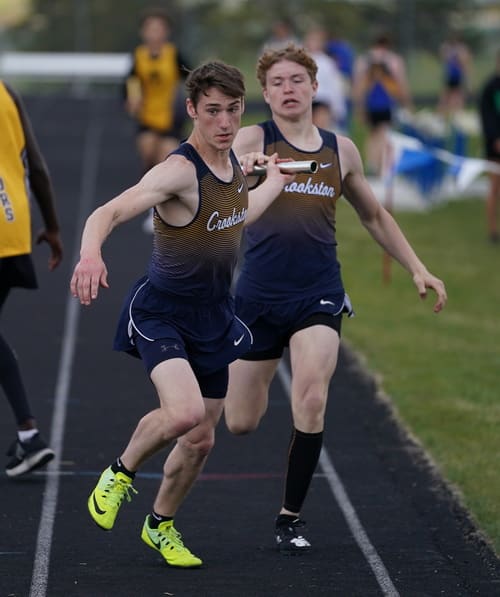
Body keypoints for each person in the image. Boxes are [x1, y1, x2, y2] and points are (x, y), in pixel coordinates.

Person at [223, 44, 447, 555]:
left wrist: (417, 267)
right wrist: (245, 170)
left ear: (315, 87)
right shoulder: (252, 139)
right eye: (277, 82)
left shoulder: (340, 150)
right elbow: (216, 186)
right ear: (266, 93)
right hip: (257, 297)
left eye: (297, 80)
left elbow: (374, 216)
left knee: (312, 397)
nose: (288, 89)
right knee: (240, 421)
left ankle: (289, 517)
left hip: (318, 294)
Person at [70, 61, 294, 568]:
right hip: (163, 313)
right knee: (185, 413)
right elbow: (107, 212)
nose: (225, 122)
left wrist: (275, 182)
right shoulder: (178, 170)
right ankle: (120, 472)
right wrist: (90, 254)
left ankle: (160, 525)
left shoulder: (233, 163)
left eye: (233, 110)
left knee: (200, 439)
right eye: (212, 111)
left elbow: (238, 214)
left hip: (213, 318)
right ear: (191, 108)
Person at [0, 80, 63, 477]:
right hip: (14, 231)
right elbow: (36, 168)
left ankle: (29, 434)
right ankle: (29, 435)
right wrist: (52, 227)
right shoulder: (6, 91)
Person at [124, 8, 190, 233]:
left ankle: (163, 208)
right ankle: (149, 201)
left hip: (170, 118)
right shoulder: (138, 56)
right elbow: (131, 81)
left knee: (167, 156)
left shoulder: (174, 55)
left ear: (166, 32)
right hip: (147, 117)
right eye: (150, 29)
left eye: (159, 29)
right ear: (143, 32)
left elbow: (193, 77)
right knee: (148, 150)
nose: (154, 34)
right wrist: (132, 99)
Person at [352, 32, 411, 175]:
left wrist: (358, 106)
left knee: (372, 134)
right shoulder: (393, 60)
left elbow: (358, 85)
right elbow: (401, 83)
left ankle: (371, 162)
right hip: (386, 103)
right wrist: (407, 102)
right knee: (383, 133)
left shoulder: (364, 60)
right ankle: (380, 164)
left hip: (369, 103)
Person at [303, 26, 347, 132]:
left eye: (316, 40)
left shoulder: (328, 62)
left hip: (323, 99)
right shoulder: (301, 61)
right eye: (311, 40)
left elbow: (334, 85)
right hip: (306, 100)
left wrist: (338, 107)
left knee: (320, 130)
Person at [478, 49, 500, 243]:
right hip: (495, 147)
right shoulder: (490, 88)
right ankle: (492, 231)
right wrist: (495, 139)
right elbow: (487, 118)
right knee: (494, 187)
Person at [438, 32, 472, 117]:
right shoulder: (448, 48)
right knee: (448, 95)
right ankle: (443, 113)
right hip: (451, 75)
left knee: (457, 95)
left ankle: (456, 113)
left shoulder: (460, 49)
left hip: (457, 75)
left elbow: (464, 62)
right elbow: (444, 58)